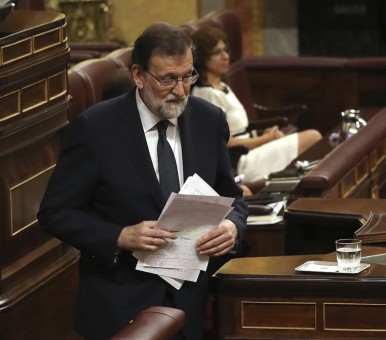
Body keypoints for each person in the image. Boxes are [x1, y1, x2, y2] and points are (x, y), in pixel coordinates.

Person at [38, 22, 248, 340]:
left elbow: (233, 197)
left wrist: (232, 226)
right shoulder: (96, 129)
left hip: (191, 303)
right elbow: (55, 212)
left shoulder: (209, 120)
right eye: (167, 79)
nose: (180, 90)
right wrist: (119, 235)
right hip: (121, 305)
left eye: (188, 76)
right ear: (138, 76)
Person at [189, 26, 322, 182]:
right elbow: (227, 143)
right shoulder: (205, 94)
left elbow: (240, 128)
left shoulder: (221, 86)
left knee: (311, 146)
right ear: (203, 58)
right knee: (313, 137)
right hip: (241, 161)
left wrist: (264, 135)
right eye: (217, 53)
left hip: (251, 150)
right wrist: (267, 139)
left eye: (226, 50)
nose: (226, 56)